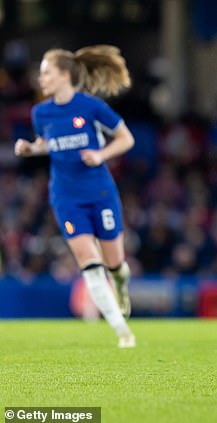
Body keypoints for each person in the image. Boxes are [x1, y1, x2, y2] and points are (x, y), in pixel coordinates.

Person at [15, 45, 135, 348]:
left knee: (115, 264)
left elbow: (126, 138)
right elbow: (49, 144)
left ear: (64, 75)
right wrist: (31, 149)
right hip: (66, 196)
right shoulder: (40, 112)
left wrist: (101, 154)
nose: (40, 78)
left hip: (100, 191)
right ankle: (122, 331)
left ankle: (120, 284)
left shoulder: (91, 107)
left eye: (46, 72)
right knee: (88, 261)